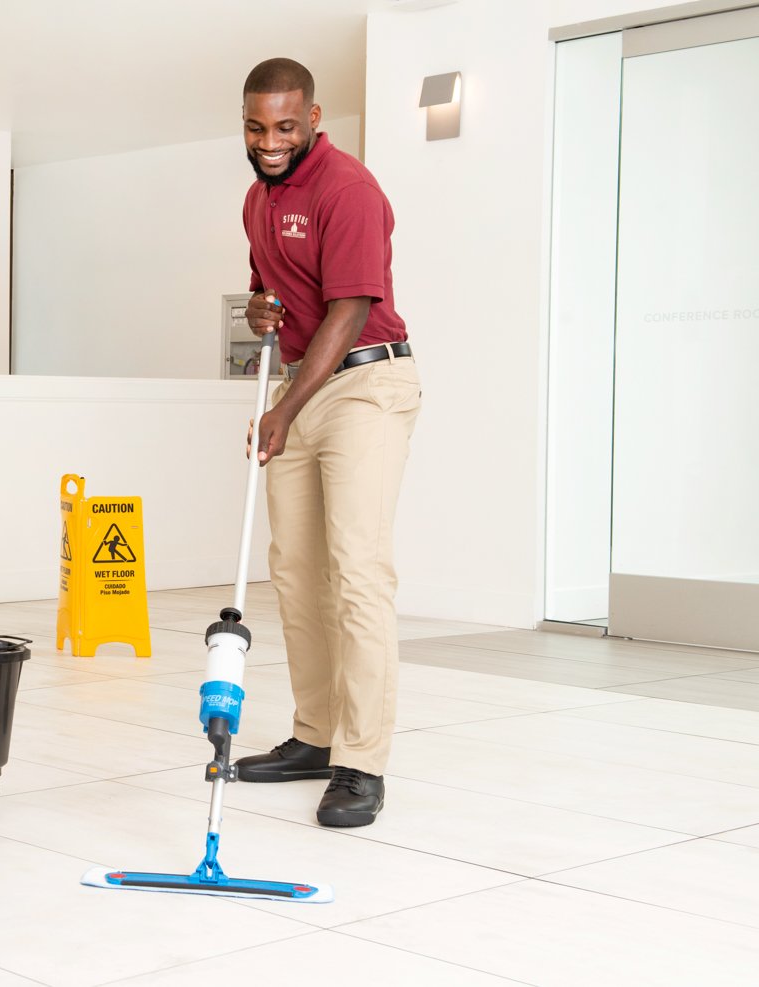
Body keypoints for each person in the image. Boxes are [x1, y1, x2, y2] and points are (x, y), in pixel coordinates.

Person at [232, 58, 421, 828]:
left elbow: (350, 309)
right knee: (296, 571)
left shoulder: (349, 190)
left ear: (313, 118)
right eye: (256, 127)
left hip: (365, 383)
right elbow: (269, 292)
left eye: (285, 126)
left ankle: (361, 760)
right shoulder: (258, 198)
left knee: (357, 572)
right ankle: (316, 734)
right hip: (303, 383)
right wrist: (260, 309)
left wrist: (284, 409)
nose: (269, 141)